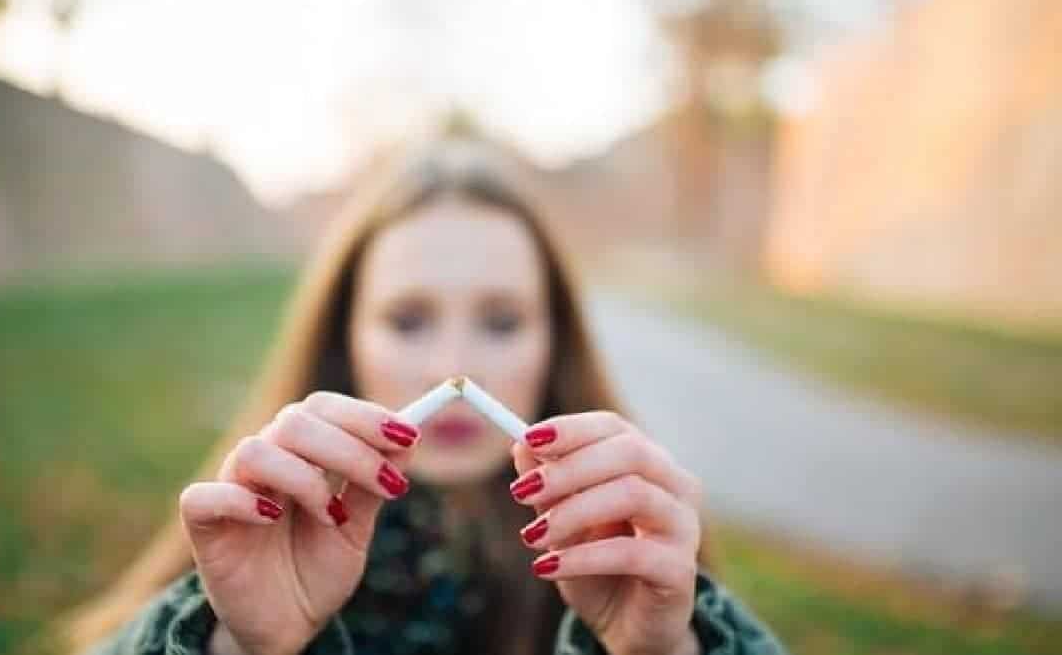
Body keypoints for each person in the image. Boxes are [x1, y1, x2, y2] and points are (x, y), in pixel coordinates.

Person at [65, 138, 788, 655]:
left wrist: (670, 649)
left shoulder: (623, 547)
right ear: (345, 336)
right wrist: (231, 643)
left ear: (554, 338)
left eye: (501, 321)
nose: (453, 371)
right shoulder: (264, 541)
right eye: (408, 320)